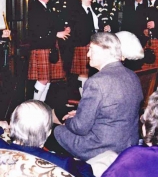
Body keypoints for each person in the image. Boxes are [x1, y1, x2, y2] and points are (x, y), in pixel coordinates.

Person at [53, 32, 143, 161]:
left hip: (101, 148)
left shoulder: (96, 82)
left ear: (105, 52)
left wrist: (66, 121)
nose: (88, 54)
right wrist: (79, 114)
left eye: (91, 50)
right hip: (128, 144)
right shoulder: (132, 75)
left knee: (57, 131)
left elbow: (80, 128)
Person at [0, 100, 97, 177]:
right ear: (48, 133)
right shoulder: (61, 162)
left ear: (12, 126)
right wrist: (79, 163)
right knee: (108, 158)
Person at [28, 0, 70, 102]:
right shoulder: (34, 8)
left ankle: (42, 105)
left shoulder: (47, 8)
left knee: (48, 80)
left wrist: (64, 28)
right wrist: (57, 34)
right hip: (41, 47)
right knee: (43, 79)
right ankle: (35, 106)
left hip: (49, 46)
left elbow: (52, 25)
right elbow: (38, 31)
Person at [69, 0, 110, 95]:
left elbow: (101, 21)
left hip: (95, 43)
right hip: (83, 44)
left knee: (94, 71)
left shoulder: (94, 8)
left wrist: (106, 27)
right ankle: (83, 97)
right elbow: (74, 30)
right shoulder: (76, 12)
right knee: (83, 73)